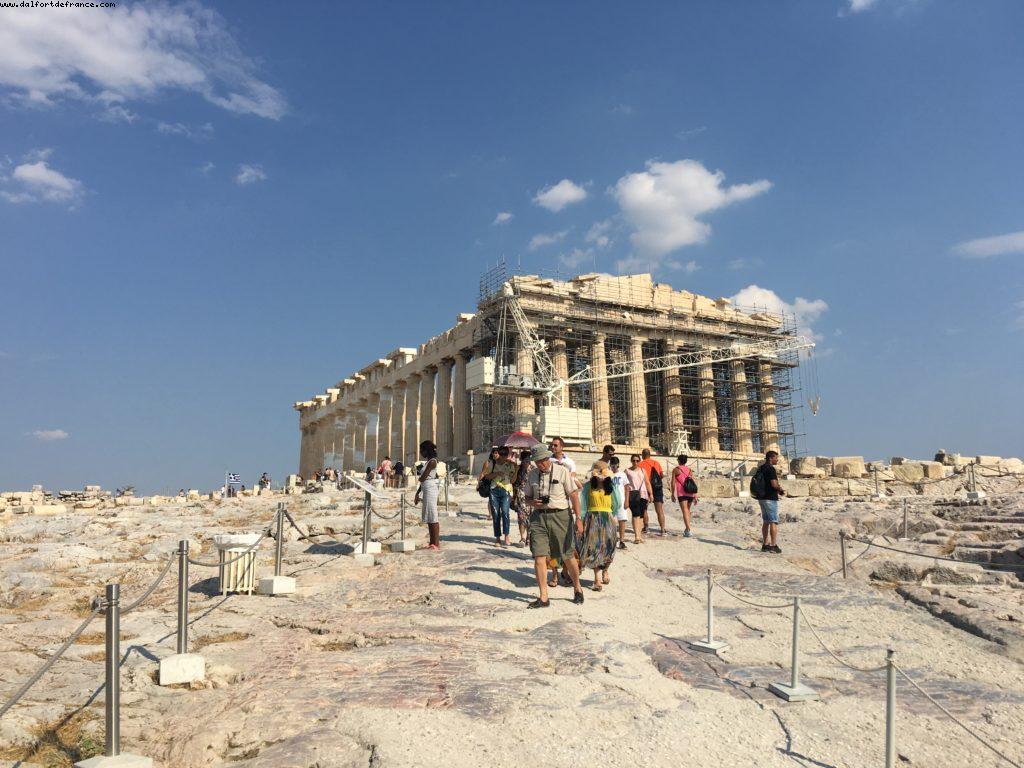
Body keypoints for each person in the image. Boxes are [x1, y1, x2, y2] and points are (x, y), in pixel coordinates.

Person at [524, 444, 585, 608]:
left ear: (548, 458)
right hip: (539, 518)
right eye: (537, 461)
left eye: (543, 460)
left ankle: (577, 587)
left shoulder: (562, 471)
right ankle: (544, 597)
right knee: (539, 555)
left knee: (567, 555)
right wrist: (532, 502)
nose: (541, 464)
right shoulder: (532, 475)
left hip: (561, 516)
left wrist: (579, 519)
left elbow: (573, 495)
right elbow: (526, 497)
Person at [578, 461, 621, 590]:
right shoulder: (588, 487)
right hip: (592, 518)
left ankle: (605, 569)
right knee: (593, 547)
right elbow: (582, 503)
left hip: (607, 518)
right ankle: (597, 579)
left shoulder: (611, 487)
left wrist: (611, 516)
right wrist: (583, 519)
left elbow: (617, 503)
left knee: (609, 546)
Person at [485, 446, 517, 546]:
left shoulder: (510, 465)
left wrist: (516, 470)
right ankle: (498, 538)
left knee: (505, 512)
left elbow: (512, 480)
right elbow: (487, 476)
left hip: (506, 490)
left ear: (508, 455)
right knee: (496, 514)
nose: (503, 456)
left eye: (505, 454)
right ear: (498, 453)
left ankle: (506, 535)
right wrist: (497, 473)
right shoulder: (493, 463)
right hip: (494, 490)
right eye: (501, 453)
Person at [756, 450, 786, 553]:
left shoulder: (761, 468)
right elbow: (774, 484)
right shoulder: (771, 469)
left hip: (761, 498)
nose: (777, 460)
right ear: (770, 458)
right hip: (770, 498)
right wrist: (780, 490)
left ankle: (765, 544)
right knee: (773, 521)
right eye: (776, 458)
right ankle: (773, 545)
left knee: (765, 522)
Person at [414, 440, 442, 550]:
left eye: (422, 450)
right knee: (429, 516)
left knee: (433, 515)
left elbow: (423, 477)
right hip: (426, 488)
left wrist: (419, 475)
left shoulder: (433, 462)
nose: (421, 452)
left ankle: (436, 543)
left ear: (427, 450)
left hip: (431, 489)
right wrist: (417, 493)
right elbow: (423, 481)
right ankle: (432, 542)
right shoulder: (427, 462)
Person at [624, 454, 652, 544]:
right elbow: (624, 484)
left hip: (643, 494)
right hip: (633, 494)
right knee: (635, 514)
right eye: (633, 460)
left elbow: (647, 482)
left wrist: (651, 494)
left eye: (637, 460)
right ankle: (636, 536)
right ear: (631, 461)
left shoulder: (643, 470)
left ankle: (639, 535)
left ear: (639, 461)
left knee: (641, 516)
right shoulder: (627, 471)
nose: (635, 462)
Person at [638, 448, 666, 535]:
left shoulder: (640, 464)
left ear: (643, 455)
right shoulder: (656, 463)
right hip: (657, 488)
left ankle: (646, 527)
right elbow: (661, 475)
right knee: (659, 510)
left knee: (644, 509)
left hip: (645, 488)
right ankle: (663, 529)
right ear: (650, 455)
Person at [671, 455, 697, 537]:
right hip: (690, 492)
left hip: (682, 493)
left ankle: (688, 529)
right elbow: (693, 481)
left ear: (678, 461)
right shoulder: (689, 470)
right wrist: (695, 495)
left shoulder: (676, 470)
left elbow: (672, 482)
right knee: (687, 511)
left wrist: (672, 493)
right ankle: (686, 529)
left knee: (685, 510)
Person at [511, 449, 533, 547]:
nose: (526, 462)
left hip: (531, 496)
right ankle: (522, 538)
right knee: (521, 517)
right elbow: (513, 482)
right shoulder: (518, 469)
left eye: (528, 460)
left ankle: (529, 537)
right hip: (520, 496)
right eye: (524, 460)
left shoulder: (534, 469)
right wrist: (516, 470)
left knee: (531, 518)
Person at [609, 456, 629, 549]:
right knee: (611, 521)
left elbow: (627, 488)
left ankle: (622, 540)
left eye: (615, 466)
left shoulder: (622, 475)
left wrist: (627, 500)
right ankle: (611, 540)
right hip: (610, 501)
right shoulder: (608, 475)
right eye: (612, 465)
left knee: (622, 520)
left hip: (621, 500)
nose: (613, 468)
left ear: (618, 465)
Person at [479, 447, 501, 528]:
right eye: (495, 453)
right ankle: (490, 514)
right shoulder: (487, 462)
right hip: (489, 482)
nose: (496, 454)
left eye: (498, 453)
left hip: (498, 482)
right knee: (491, 499)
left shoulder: (501, 463)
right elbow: (482, 473)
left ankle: (496, 513)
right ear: (492, 454)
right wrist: (479, 483)